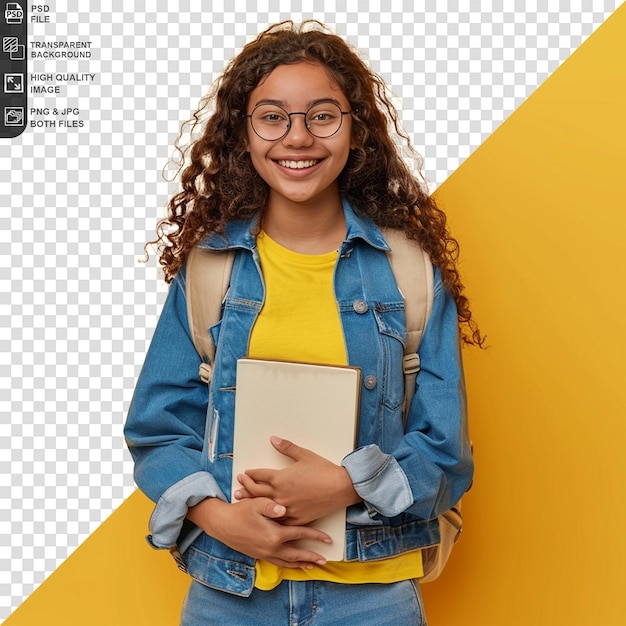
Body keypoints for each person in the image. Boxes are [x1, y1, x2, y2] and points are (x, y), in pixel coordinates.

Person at [124, 20, 481, 626]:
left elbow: (445, 450)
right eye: (272, 116)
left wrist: (346, 484)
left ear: (355, 129)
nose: (298, 138)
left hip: (374, 596)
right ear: (244, 132)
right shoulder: (210, 268)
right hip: (229, 592)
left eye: (322, 115)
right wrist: (220, 518)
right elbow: (158, 427)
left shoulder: (410, 270)